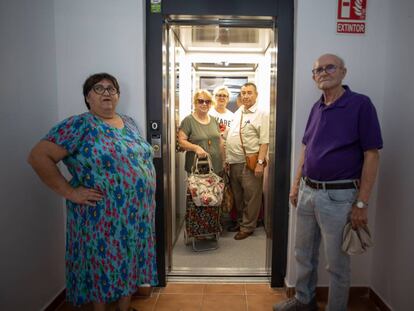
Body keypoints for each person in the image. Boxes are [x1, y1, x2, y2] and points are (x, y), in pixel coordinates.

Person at [28, 73, 158, 311]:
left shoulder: (129, 122)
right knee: (101, 264)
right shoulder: (79, 125)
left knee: (128, 261)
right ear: (88, 97)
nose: (107, 93)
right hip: (100, 216)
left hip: (135, 215)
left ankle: (124, 307)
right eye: (99, 88)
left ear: (118, 95)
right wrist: (71, 192)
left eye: (112, 89)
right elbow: (38, 157)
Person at [273, 54, 383, 311]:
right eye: (317, 70)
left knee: (336, 263)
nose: (322, 73)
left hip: (340, 197)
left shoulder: (360, 105)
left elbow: (372, 154)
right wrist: (295, 184)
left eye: (329, 67)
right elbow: (306, 148)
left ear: (343, 72)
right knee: (303, 254)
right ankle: (304, 300)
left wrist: (362, 203)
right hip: (308, 192)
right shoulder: (317, 107)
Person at [225, 82, 269, 240]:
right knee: (238, 196)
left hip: (250, 163)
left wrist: (260, 163)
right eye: (243, 93)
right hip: (234, 162)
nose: (245, 96)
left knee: (251, 197)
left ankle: (248, 226)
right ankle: (240, 221)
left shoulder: (261, 114)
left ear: (256, 95)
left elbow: (264, 141)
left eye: (249, 92)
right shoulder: (238, 112)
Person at [178, 89, 224, 174]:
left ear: (211, 104)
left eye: (207, 101)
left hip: (217, 167)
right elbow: (181, 142)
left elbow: (220, 142)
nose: (204, 104)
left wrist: (224, 161)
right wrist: (196, 148)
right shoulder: (188, 120)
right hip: (197, 169)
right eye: (200, 101)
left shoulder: (214, 120)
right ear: (195, 103)